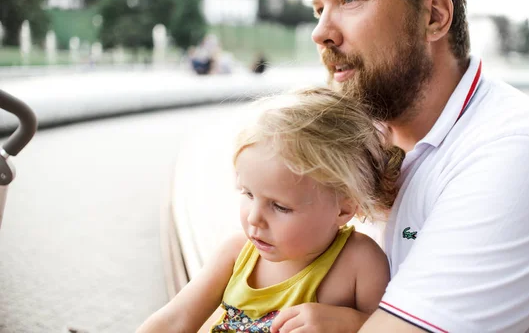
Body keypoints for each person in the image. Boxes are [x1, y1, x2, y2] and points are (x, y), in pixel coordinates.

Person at [290, 0, 529, 332]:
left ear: (434, 16)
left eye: (349, 0)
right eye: (318, 9)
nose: (320, 32)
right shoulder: (354, 145)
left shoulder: (524, 151)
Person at [136, 87, 405, 333]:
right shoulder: (237, 254)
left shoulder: (359, 262)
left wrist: (349, 323)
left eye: (279, 206)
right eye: (248, 193)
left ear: (344, 207)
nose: (254, 218)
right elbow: (174, 320)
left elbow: (391, 329)